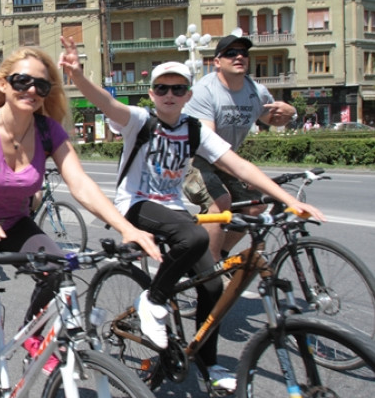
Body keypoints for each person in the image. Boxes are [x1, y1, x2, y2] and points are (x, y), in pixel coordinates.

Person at [59, 37, 325, 393]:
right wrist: (77, 76)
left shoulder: (194, 129)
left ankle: (208, 363)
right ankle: (152, 301)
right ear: (151, 94)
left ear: (187, 96)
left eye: (178, 88)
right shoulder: (139, 121)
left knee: (213, 286)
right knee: (195, 236)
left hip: (172, 210)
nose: (170, 94)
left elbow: (240, 166)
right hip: (134, 204)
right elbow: (104, 101)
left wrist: (287, 200)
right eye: (162, 88)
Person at [0, 46, 157, 398]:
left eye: (41, 85)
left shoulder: (48, 131)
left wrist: (127, 227)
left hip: (14, 223)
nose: (31, 90)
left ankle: (32, 335)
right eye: (22, 81)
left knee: (58, 268)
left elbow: (80, 184)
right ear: (4, 84)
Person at [182, 34, 298, 262]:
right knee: (221, 202)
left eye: (243, 53)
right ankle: (211, 272)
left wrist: (290, 113)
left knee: (254, 209)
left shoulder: (256, 91)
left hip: (227, 159)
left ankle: (221, 253)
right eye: (231, 53)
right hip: (193, 158)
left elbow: (272, 120)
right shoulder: (205, 91)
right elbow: (209, 145)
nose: (239, 57)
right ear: (217, 62)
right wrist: (242, 172)